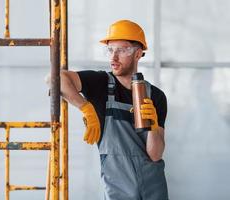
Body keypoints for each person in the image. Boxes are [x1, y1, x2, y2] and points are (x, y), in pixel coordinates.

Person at [59, 20, 168, 200]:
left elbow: (155, 155)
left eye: (122, 50)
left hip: (153, 189)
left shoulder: (155, 96)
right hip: (118, 190)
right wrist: (85, 107)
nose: (113, 57)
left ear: (138, 54)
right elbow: (56, 79)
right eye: (110, 50)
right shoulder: (100, 84)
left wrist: (154, 127)